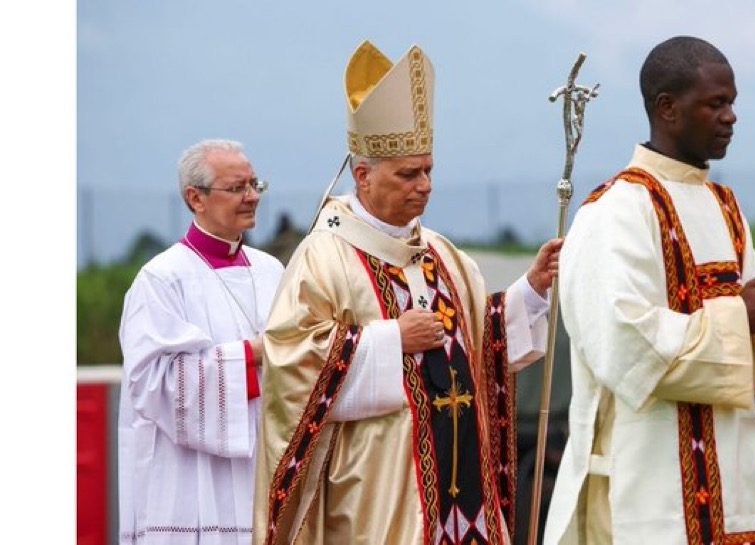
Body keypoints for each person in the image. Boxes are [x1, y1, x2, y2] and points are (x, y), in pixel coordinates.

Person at [252, 41, 563, 545]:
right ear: (363, 175)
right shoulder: (325, 255)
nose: (424, 187)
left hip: (462, 490)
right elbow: (290, 362)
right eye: (408, 174)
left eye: (429, 171)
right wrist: (390, 339)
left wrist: (529, 290)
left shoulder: (443, 253)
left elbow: (480, 345)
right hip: (380, 491)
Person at [543, 36, 755, 545]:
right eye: (715, 103)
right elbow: (625, 345)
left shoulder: (725, 207)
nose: (731, 117)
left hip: (744, 487)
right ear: (667, 109)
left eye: (732, 102)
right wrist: (742, 319)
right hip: (650, 491)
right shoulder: (614, 213)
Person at [117, 139, 284, 544]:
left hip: (263, 469)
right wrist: (251, 356)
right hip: (187, 481)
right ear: (196, 198)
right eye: (237, 188)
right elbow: (152, 385)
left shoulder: (273, 271)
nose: (252, 197)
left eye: (255, 184)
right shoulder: (162, 278)